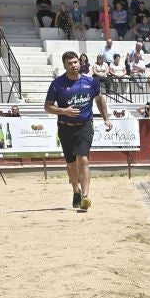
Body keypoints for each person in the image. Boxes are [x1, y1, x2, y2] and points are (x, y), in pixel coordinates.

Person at [44, 50, 112, 212]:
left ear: (80, 63)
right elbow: (47, 107)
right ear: (65, 65)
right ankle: (76, 190)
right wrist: (64, 111)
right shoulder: (57, 84)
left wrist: (106, 118)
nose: (73, 65)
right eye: (69, 63)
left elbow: (99, 100)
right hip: (65, 127)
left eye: (75, 62)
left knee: (83, 159)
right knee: (71, 165)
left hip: (85, 126)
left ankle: (86, 196)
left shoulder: (91, 82)